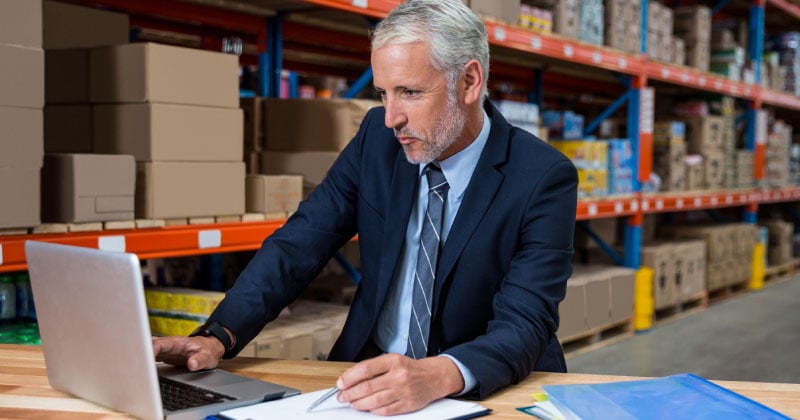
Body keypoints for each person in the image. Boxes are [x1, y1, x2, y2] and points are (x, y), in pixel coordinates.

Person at [153, 0, 578, 415]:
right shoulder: (377, 138)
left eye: (410, 92)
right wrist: (218, 335)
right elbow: (299, 243)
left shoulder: (542, 177)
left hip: (487, 387)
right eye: (383, 93)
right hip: (365, 381)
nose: (391, 116)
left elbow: (526, 323)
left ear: (469, 82)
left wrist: (439, 374)